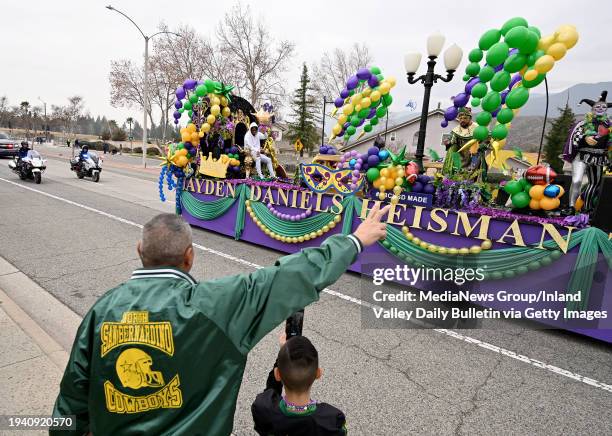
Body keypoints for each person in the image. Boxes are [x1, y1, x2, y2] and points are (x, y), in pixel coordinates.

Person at [51, 207, 389, 436]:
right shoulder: (220, 305)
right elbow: (291, 276)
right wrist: (355, 240)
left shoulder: (101, 311)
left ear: (140, 250)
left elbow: (70, 404)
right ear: (189, 256)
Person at [252, 334, 347, 435]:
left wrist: (282, 355)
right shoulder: (331, 420)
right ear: (318, 374)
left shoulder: (262, 408)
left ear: (277, 374)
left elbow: (269, 394)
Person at [563, 90, 611, 214]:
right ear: (593, 108)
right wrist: (585, 138)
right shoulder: (584, 123)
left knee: (594, 183)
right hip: (582, 155)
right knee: (577, 180)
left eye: (603, 107)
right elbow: (574, 136)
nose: (601, 108)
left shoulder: (609, 126)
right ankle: (571, 207)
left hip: (599, 157)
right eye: (598, 106)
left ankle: (587, 210)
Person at [442, 107, 476, 176]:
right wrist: (447, 142)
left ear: (470, 118)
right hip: (459, 153)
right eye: (460, 118)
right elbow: (450, 139)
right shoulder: (456, 130)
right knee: (452, 148)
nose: (462, 120)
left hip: (472, 153)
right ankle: (450, 174)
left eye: (465, 118)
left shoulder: (476, 128)